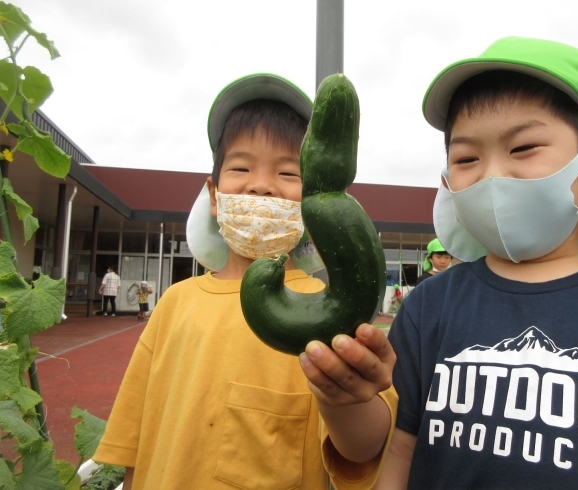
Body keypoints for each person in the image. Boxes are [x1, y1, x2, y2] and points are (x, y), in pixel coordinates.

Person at [93, 74, 397, 489]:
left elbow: (364, 449)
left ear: (311, 197)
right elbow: (134, 441)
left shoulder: (335, 322)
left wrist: (347, 400)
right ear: (214, 196)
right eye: (240, 167)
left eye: (289, 173)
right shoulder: (174, 302)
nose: (261, 185)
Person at [376, 37, 578, 489]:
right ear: (446, 180)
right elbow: (401, 449)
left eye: (523, 148)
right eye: (467, 158)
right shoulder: (430, 306)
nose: (492, 177)